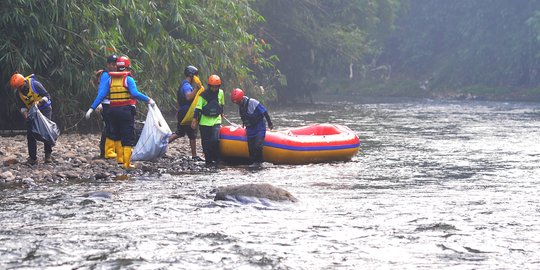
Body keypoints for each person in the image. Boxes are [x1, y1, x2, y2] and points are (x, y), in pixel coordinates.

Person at [85, 56, 155, 169]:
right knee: (127, 137)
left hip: (113, 111)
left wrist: (91, 108)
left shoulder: (110, 79)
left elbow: (101, 95)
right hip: (125, 111)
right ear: (127, 67)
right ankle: (127, 163)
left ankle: (120, 161)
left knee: (117, 135)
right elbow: (135, 93)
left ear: (117, 66)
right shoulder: (128, 79)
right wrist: (148, 99)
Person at [10, 73, 53, 165]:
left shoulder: (35, 84)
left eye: (20, 87)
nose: (19, 89)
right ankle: (33, 158)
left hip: (44, 109)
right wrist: (26, 115)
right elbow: (22, 107)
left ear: (24, 82)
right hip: (32, 112)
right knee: (30, 133)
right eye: (17, 88)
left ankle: (48, 155)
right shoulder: (17, 93)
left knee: (46, 132)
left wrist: (39, 103)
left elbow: (47, 96)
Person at [168, 65, 204, 161]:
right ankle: (161, 145)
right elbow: (188, 97)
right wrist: (197, 89)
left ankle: (194, 155)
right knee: (180, 132)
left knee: (192, 133)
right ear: (192, 76)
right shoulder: (186, 86)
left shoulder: (184, 85)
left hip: (185, 111)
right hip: (186, 112)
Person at [230, 88, 273, 166]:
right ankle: (253, 164)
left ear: (241, 99)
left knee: (258, 146)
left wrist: (270, 123)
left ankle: (260, 163)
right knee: (251, 149)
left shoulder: (253, 102)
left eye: (238, 102)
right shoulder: (241, 106)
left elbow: (264, 112)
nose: (238, 104)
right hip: (250, 129)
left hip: (259, 126)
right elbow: (244, 118)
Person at [191, 74, 224, 166]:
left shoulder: (221, 93)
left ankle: (217, 159)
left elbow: (221, 104)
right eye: (212, 87)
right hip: (204, 122)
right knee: (206, 143)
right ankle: (208, 161)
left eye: (216, 87)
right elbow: (198, 108)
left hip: (216, 121)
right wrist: (194, 120)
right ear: (209, 86)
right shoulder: (203, 95)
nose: (214, 89)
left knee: (214, 140)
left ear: (219, 86)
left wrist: (221, 112)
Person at [93, 54, 118, 160]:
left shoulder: (119, 74)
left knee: (115, 126)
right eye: (113, 64)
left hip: (115, 104)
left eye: (116, 64)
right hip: (106, 104)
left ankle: (113, 150)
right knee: (108, 127)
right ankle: (104, 151)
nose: (115, 66)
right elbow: (101, 91)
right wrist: (98, 104)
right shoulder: (105, 75)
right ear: (108, 65)